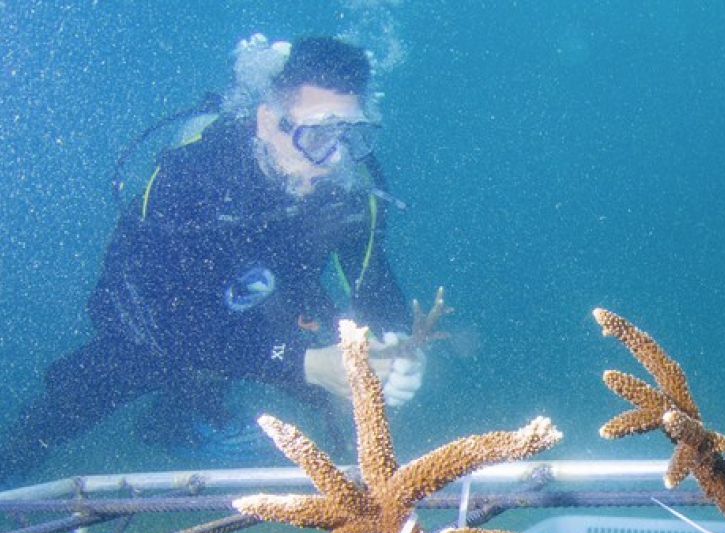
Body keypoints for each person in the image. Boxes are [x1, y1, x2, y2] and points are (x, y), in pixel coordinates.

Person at [0, 37, 425, 482]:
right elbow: (170, 321)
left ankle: (180, 421)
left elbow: (370, 276)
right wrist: (304, 363)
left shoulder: (352, 173)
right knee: (109, 378)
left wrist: (397, 347)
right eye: (316, 135)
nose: (335, 157)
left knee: (337, 375)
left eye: (352, 135)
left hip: (271, 292)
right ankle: (18, 457)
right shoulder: (193, 175)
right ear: (267, 121)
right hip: (152, 308)